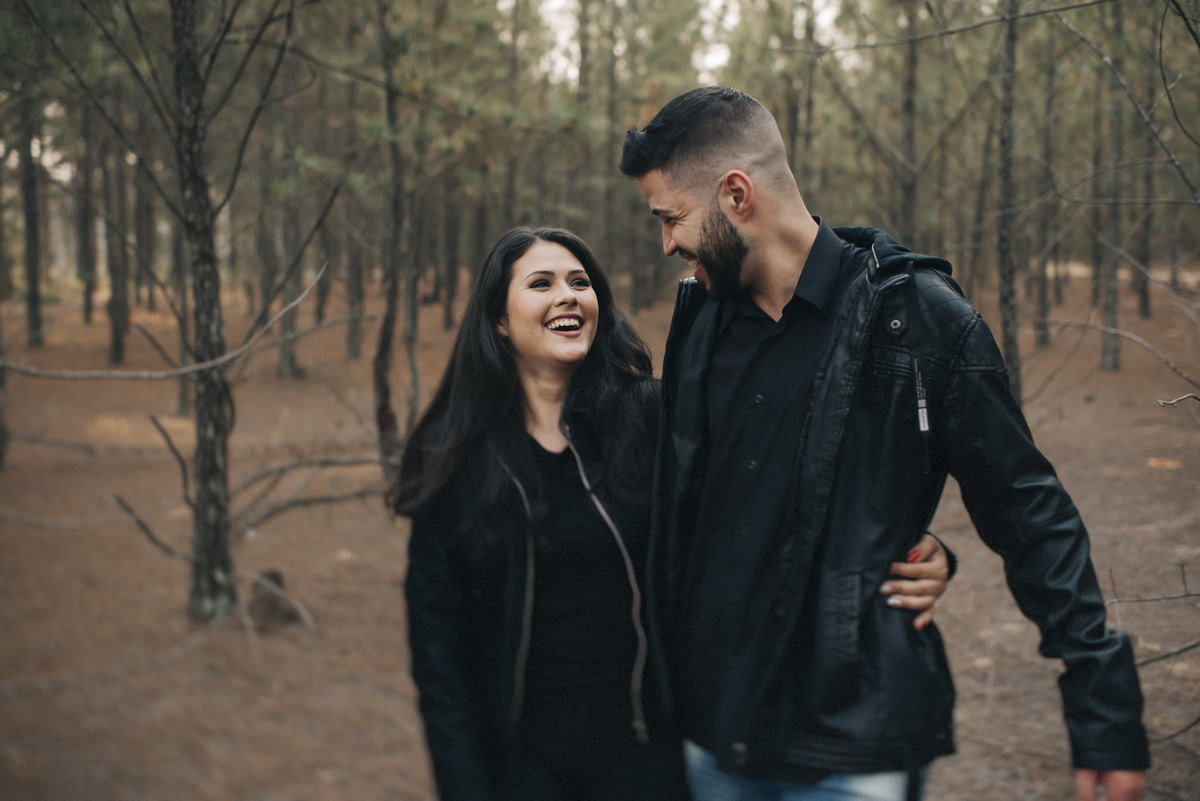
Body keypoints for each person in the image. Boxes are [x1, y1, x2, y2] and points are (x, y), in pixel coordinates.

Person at [619, 86, 1151, 801]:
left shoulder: (921, 323)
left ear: (737, 193)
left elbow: (1034, 518)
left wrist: (1107, 722)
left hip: (852, 748)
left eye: (671, 218)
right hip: (715, 739)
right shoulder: (701, 322)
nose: (667, 244)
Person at [389, 226, 953, 801]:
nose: (568, 295)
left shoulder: (655, 421)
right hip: (517, 772)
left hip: (650, 760)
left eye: (580, 282)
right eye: (541, 283)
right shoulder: (457, 461)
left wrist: (919, 546)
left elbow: (769, 502)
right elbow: (441, 662)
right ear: (500, 320)